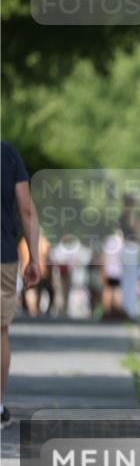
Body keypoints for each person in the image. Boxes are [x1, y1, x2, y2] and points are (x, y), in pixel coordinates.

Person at [1, 141, 40, 425]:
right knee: (0, 330)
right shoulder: (8, 154)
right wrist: (34, 257)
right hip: (2, 255)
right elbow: (26, 208)